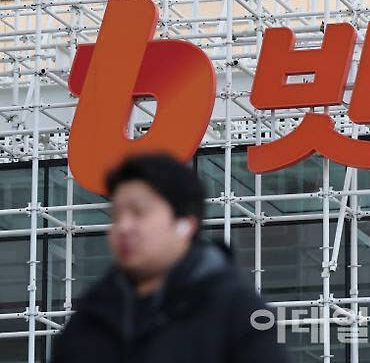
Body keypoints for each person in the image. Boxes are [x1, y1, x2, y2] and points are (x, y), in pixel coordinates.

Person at [51, 153, 287, 363]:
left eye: (139, 212)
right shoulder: (90, 319)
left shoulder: (238, 311)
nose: (123, 227)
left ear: (185, 224)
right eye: (116, 216)